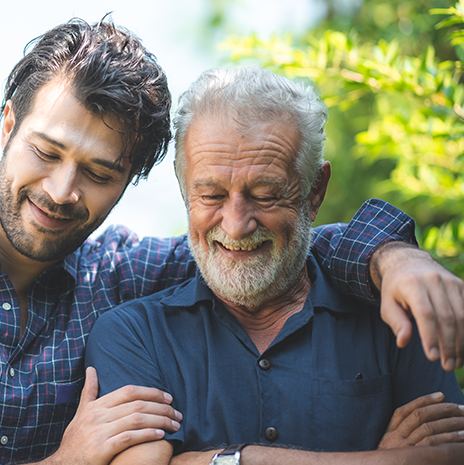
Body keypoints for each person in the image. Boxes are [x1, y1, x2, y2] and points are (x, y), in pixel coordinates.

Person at [0, 19, 464, 465]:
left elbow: (267, 241)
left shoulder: (118, 274)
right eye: (46, 151)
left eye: (99, 173)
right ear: (8, 125)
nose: (60, 190)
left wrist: (389, 254)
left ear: (132, 180)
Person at [85, 66, 464, 465]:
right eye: (211, 195)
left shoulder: (394, 316)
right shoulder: (132, 335)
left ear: (314, 191)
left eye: (265, 195)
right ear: (184, 191)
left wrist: (219, 460)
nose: (235, 225)